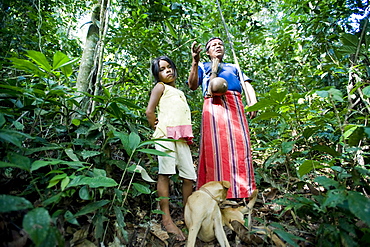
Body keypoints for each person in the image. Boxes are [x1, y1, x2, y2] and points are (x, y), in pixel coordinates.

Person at [187, 37, 257, 199]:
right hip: (213, 106)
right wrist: (194, 62)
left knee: (240, 146)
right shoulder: (203, 67)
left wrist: (252, 101)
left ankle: (241, 192)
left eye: (220, 44)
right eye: (213, 45)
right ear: (207, 52)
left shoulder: (233, 67)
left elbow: (246, 84)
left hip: (235, 104)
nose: (218, 47)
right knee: (215, 148)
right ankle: (215, 193)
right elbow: (192, 85)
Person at [146, 56, 196, 241]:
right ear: (157, 75)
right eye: (162, 69)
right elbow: (149, 111)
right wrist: (155, 125)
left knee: (188, 176)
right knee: (165, 173)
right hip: (166, 135)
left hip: (181, 137)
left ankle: (187, 213)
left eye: (169, 67)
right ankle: (166, 217)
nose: (167, 70)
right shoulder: (161, 87)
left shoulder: (179, 91)